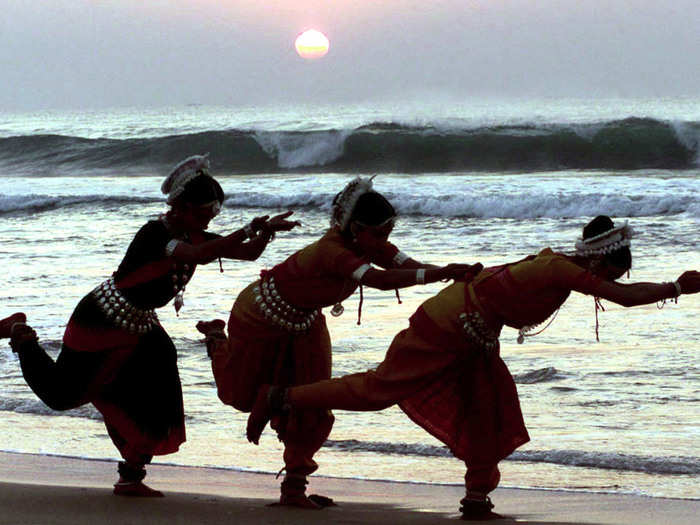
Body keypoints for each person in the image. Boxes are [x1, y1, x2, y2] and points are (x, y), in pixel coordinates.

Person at [245, 215, 700, 520]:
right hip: (447, 323)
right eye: (612, 272)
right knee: (378, 392)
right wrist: (676, 286)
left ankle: (477, 499)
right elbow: (622, 297)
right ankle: (281, 396)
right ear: (602, 259)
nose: (609, 282)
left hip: (474, 333)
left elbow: (611, 291)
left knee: (490, 408)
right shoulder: (561, 269)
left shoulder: (561, 265)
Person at [6, 154, 299, 497]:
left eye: (214, 213)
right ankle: (21, 334)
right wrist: (249, 227)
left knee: (160, 395)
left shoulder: (193, 233)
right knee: (62, 395)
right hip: (101, 319)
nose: (210, 219)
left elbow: (248, 254)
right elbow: (198, 255)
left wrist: (265, 234)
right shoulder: (156, 234)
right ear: (181, 207)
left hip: (140, 325)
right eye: (205, 212)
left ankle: (131, 474)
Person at [197, 176, 481, 509]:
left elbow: (404, 265)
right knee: (240, 395)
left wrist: (450, 274)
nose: (383, 242)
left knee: (314, 400)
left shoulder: (370, 244)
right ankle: (218, 340)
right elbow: (379, 279)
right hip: (259, 314)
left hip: (304, 322)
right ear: (355, 228)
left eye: (387, 234)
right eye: (378, 234)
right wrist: (438, 274)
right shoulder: (332, 251)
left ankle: (294, 487)